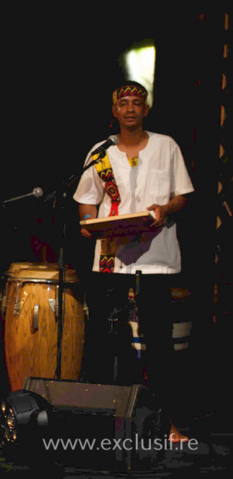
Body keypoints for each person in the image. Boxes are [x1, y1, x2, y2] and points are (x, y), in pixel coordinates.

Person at [73, 80, 194, 442]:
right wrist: (87, 223)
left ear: (146, 110)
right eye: (123, 103)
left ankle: (164, 423)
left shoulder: (166, 146)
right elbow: (86, 198)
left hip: (155, 258)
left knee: (158, 343)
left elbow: (182, 195)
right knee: (108, 339)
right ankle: (112, 422)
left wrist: (164, 209)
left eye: (136, 103)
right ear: (114, 111)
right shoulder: (101, 152)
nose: (129, 109)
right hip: (112, 259)